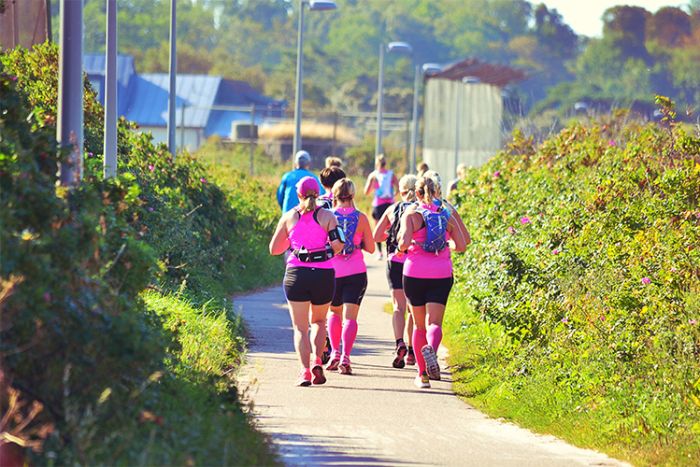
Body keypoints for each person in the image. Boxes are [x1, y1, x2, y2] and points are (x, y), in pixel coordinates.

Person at [269, 176, 345, 386]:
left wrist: (293, 242)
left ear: (298, 194)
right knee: (319, 322)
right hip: (323, 275)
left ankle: (304, 372)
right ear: (318, 193)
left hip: (297, 275)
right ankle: (318, 361)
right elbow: (338, 245)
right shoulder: (328, 216)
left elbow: (274, 249)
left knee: (300, 328)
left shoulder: (288, 217)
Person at [397, 177, 469, 389]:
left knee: (419, 326)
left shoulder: (411, 214)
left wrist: (407, 245)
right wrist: (445, 245)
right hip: (441, 272)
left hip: (414, 273)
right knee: (434, 323)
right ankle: (432, 349)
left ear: (416, 194)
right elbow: (462, 246)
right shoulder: (446, 215)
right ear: (435, 193)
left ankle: (423, 376)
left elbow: (402, 243)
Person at [326, 178, 375, 375]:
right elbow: (371, 248)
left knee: (334, 313)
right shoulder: (361, 218)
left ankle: (335, 353)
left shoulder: (328, 216)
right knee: (350, 318)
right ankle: (346, 356)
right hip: (356, 271)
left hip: (333, 272)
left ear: (334, 196)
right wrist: (357, 243)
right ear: (353, 195)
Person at [372, 174, 418, 368]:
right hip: (415, 262)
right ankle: (411, 351)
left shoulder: (393, 209)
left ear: (400, 191)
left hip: (394, 261)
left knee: (398, 307)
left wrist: (390, 235)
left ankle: (399, 342)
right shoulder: (420, 210)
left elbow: (376, 236)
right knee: (412, 309)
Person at [363, 154, 399, 261]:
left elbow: (366, 192)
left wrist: (373, 187)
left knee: (377, 228)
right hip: (390, 205)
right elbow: (399, 188)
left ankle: (379, 253)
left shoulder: (374, 175)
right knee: (391, 228)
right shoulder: (391, 174)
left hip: (378, 204)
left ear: (376, 163)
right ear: (385, 163)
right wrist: (393, 195)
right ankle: (392, 250)